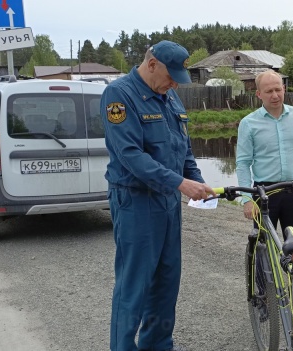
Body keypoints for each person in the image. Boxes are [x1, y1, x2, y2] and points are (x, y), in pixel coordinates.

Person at [101, 40, 215, 351]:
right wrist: (180, 183)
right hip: (135, 201)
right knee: (134, 286)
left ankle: (158, 345)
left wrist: (198, 182)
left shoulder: (171, 98)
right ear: (151, 64)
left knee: (166, 283)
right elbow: (131, 155)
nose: (175, 82)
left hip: (167, 202)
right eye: (171, 75)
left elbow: (184, 151)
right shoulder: (119, 95)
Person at [235, 70, 293, 235]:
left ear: (284, 89)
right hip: (264, 192)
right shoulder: (248, 123)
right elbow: (243, 163)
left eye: (278, 90)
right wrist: (247, 199)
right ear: (259, 94)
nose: (275, 95)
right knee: (264, 244)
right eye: (269, 91)